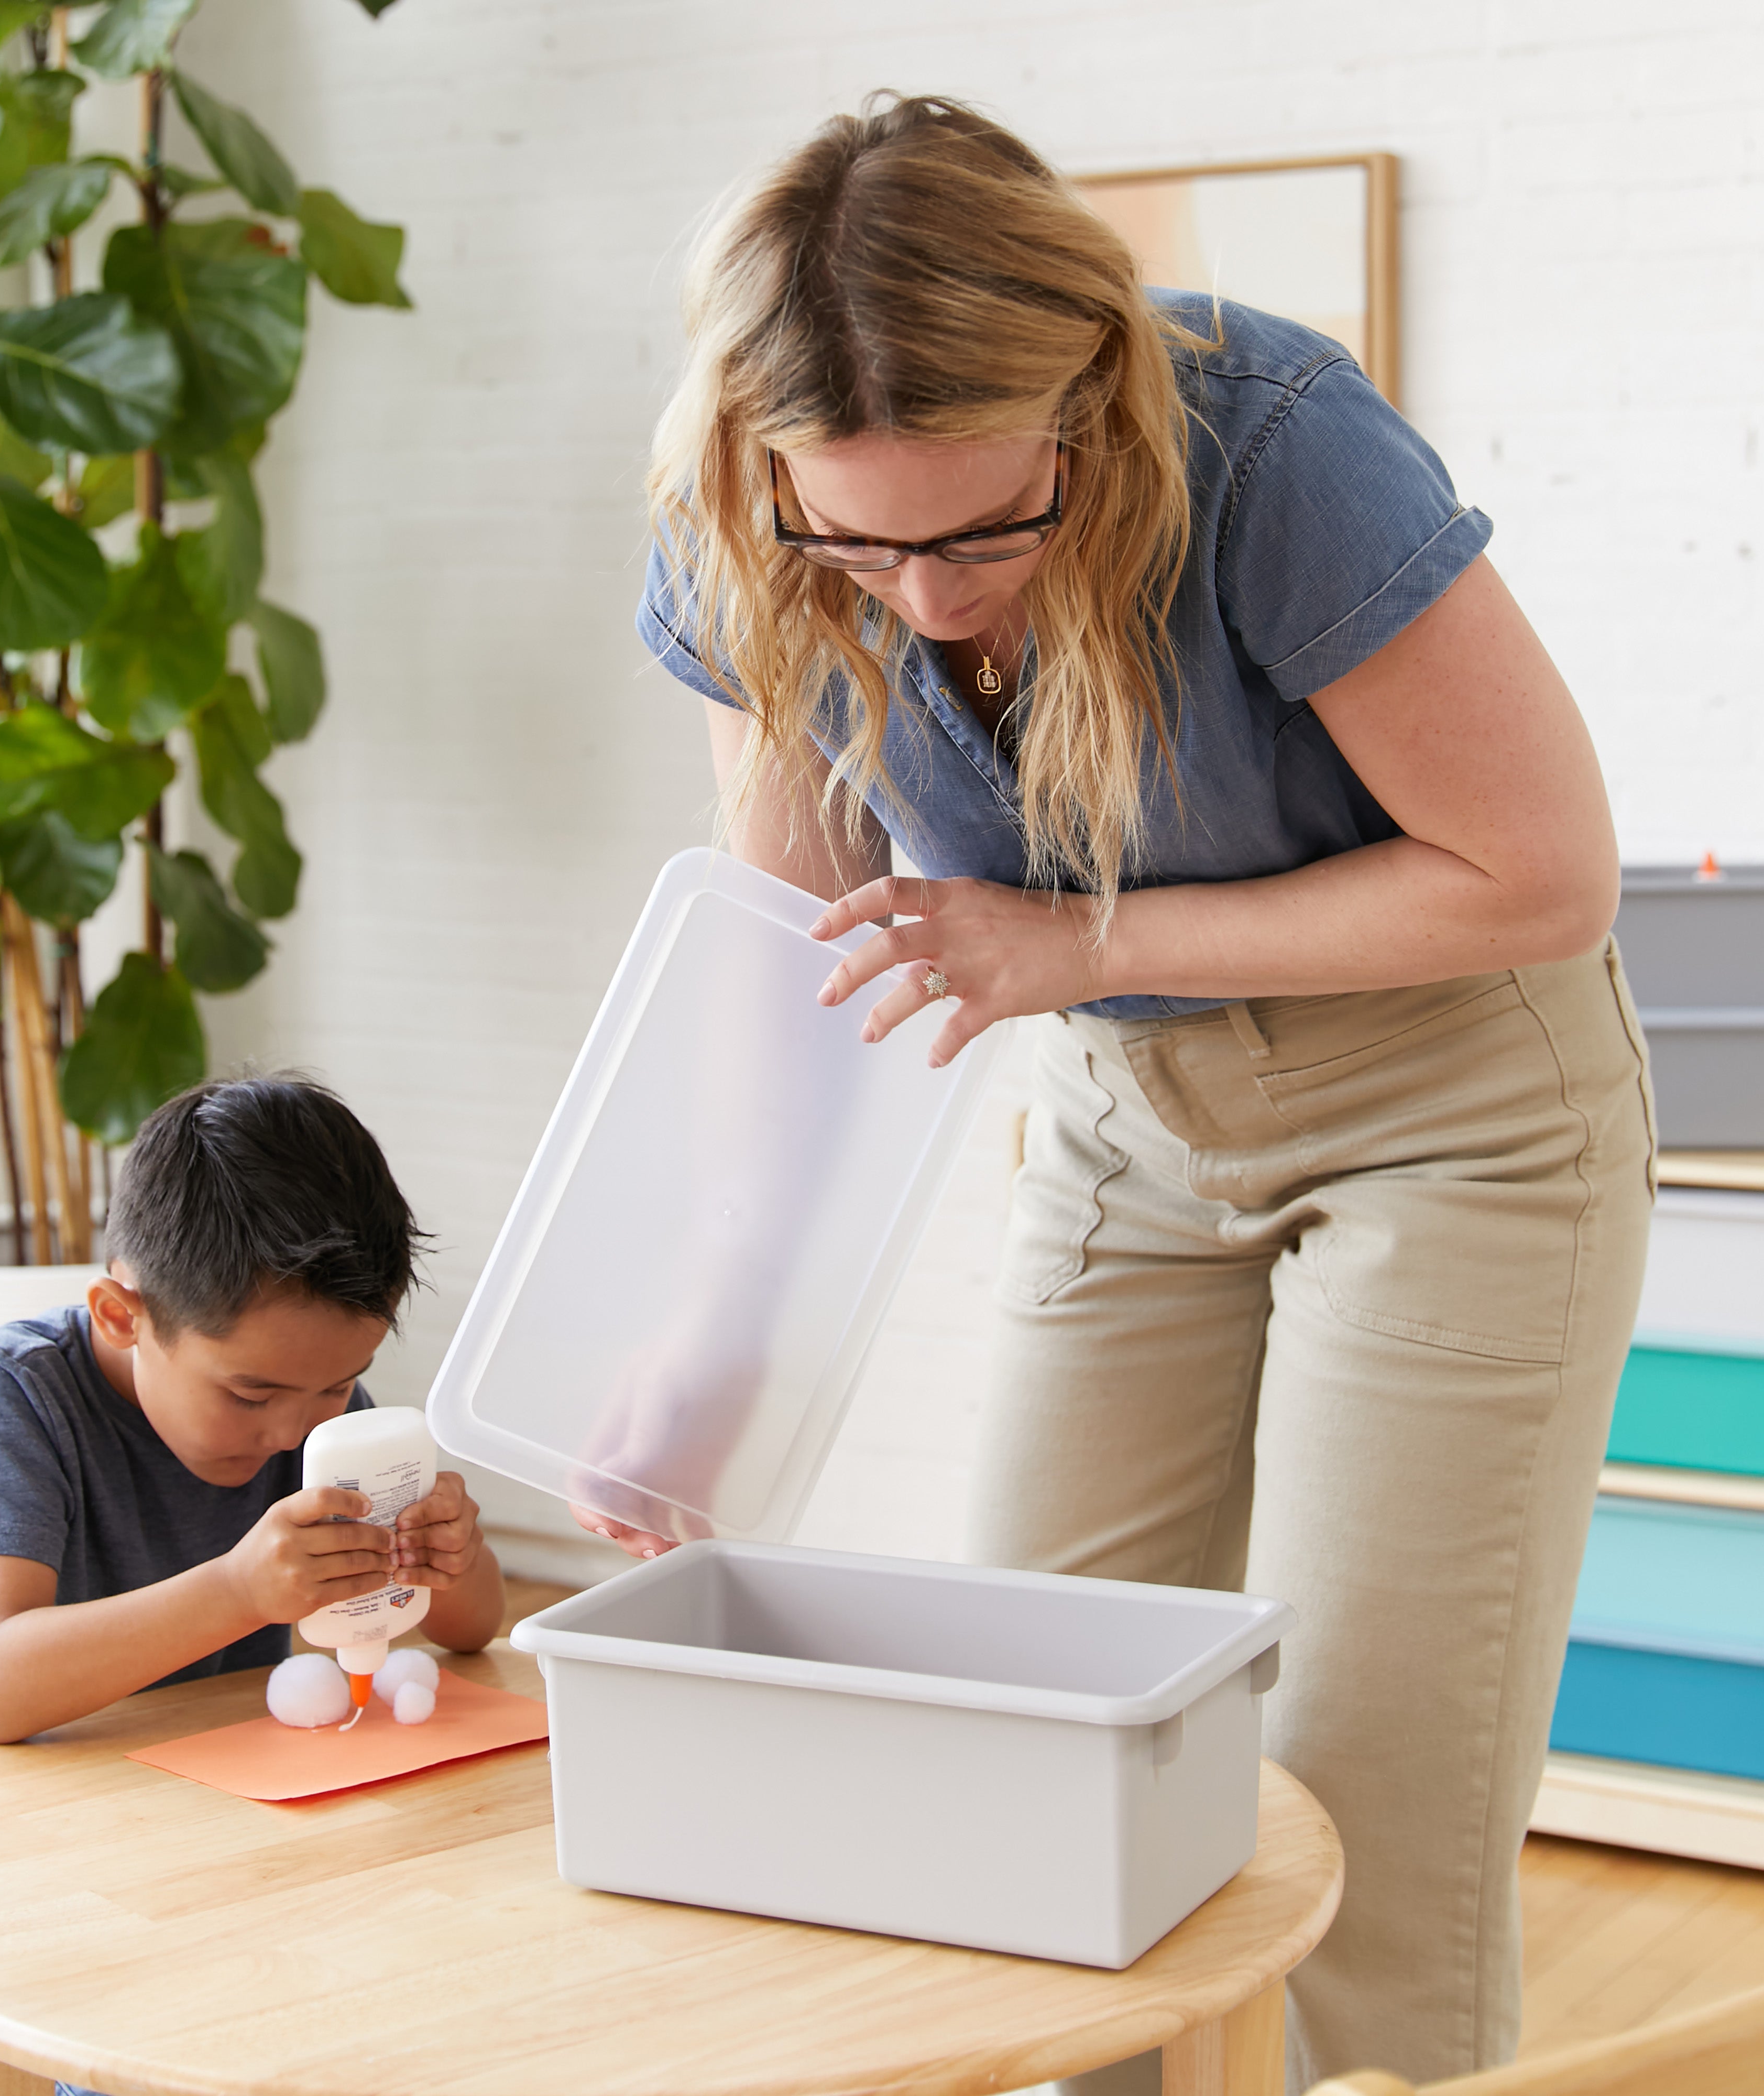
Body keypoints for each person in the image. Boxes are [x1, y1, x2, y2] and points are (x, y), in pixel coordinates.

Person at [606, 95, 1654, 2092]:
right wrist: (712, 1327)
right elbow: (796, 941)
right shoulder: (744, 523)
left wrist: (1077, 946)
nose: (921, 597)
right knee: (1040, 1747)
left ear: (1084, 399)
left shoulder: (1271, 445)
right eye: (859, 539)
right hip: (1131, 1118)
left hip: (1456, 1114)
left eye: (987, 528)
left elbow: (1537, 874)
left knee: (1359, 1786)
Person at [0, 1075, 503, 1778]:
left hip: (225, 1788)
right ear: (119, 1316)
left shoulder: (313, 1404)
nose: (292, 1432)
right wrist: (238, 1591)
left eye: (339, 1383)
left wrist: (450, 1557)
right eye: (250, 1396)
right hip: (22, 1822)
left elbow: (471, 1632)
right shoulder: (15, 1393)